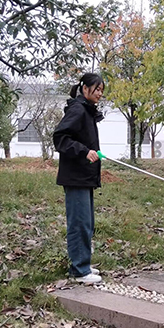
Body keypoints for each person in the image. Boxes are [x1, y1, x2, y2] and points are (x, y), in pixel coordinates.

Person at [53, 73, 105, 284]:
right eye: (97, 89)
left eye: (102, 90)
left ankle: (82, 263)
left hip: (84, 176)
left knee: (87, 223)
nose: (100, 94)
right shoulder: (77, 110)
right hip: (75, 177)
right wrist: (84, 151)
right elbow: (60, 138)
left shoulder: (87, 111)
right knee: (79, 223)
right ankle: (78, 270)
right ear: (85, 89)